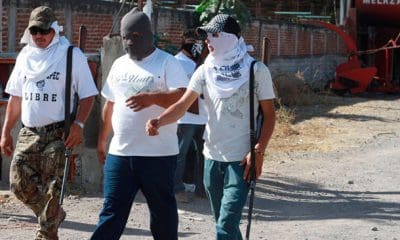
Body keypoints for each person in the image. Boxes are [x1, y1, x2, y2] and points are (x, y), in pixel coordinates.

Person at [146, 14, 276, 239]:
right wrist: (159, 121)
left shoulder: (256, 70)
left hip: (241, 162)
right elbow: (182, 105)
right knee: (223, 223)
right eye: (207, 36)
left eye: (214, 35)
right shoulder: (205, 70)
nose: (207, 41)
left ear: (230, 38)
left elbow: (270, 116)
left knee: (225, 225)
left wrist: (259, 149)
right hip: (212, 159)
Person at [0, 6, 98, 240]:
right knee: (17, 183)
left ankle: (46, 231)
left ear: (54, 30)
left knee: (54, 191)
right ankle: (53, 215)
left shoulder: (71, 55)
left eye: (44, 31)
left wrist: (79, 125)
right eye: (34, 31)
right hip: (28, 132)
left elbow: (88, 96)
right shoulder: (25, 56)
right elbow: (16, 97)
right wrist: (5, 132)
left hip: (58, 133)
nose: (39, 36)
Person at [90, 8, 189, 240]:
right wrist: (103, 140)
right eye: (125, 37)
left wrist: (152, 98)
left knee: (162, 214)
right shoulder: (119, 64)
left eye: (135, 37)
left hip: (158, 156)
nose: (129, 42)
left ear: (147, 34)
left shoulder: (168, 63)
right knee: (111, 212)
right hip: (120, 153)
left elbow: (183, 97)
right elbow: (110, 104)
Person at [174, 29, 208, 202]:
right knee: (180, 154)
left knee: (204, 155)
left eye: (198, 41)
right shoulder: (176, 62)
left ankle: (202, 188)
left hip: (204, 117)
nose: (197, 45)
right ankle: (177, 189)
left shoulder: (204, 62)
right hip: (184, 117)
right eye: (193, 41)